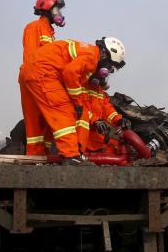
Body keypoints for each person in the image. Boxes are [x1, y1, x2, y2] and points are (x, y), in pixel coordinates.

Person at [21, 37, 126, 165]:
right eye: (110, 66)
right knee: (64, 112)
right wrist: (77, 103)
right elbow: (70, 74)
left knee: (36, 122)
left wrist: (118, 119)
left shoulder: (84, 51)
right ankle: (70, 156)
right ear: (105, 55)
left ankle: (33, 158)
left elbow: (106, 107)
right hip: (44, 73)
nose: (108, 71)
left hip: (28, 70)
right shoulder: (93, 57)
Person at [19, 0, 66, 155]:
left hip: (44, 80)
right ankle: (34, 157)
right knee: (35, 123)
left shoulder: (49, 32)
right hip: (34, 78)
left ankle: (44, 156)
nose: (59, 13)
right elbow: (32, 59)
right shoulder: (34, 27)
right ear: (47, 8)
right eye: (57, 9)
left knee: (46, 120)